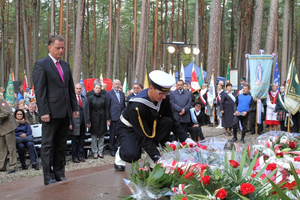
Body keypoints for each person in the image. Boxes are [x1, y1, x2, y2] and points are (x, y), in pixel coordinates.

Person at [114, 70, 194, 171]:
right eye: (161, 93)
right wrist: (157, 158)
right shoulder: (137, 106)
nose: (164, 97)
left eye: (166, 93)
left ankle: (152, 155)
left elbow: (172, 121)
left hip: (148, 125)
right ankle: (122, 151)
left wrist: (186, 139)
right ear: (151, 88)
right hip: (128, 127)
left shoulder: (163, 99)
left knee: (167, 122)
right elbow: (143, 136)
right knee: (133, 155)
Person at [32, 35, 79, 185]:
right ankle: (48, 176)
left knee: (61, 144)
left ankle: (59, 172)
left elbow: (70, 88)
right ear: (49, 47)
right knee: (48, 145)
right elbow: (40, 90)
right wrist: (44, 111)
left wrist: (74, 107)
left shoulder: (65, 65)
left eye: (63, 48)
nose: (61, 50)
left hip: (65, 112)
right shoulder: (41, 65)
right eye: (58, 48)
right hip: (50, 113)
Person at [69, 83, 91, 163]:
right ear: (74, 89)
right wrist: (70, 123)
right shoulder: (71, 99)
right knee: (74, 141)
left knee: (81, 141)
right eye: (77, 88)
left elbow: (87, 111)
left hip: (83, 122)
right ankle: (74, 156)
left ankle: (80, 155)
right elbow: (69, 112)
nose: (78, 90)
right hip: (74, 123)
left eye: (80, 88)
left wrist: (88, 122)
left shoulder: (84, 98)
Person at [88, 82, 108, 159]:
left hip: (102, 118)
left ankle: (100, 151)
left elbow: (106, 109)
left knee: (102, 136)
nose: (98, 90)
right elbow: (88, 110)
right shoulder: (90, 97)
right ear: (94, 89)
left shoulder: (103, 97)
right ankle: (95, 152)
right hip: (94, 118)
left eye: (99, 88)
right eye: (96, 88)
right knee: (94, 136)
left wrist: (107, 119)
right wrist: (89, 121)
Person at [106, 79, 125, 157]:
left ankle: (118, 148)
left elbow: (123, 106)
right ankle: (112, 149)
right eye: (116, 84)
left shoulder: (122, 94)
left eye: (118, 84)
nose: (117, 85)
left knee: (120, 134)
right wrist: (108, 119)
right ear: (113, 85)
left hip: (121, 118)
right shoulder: (109, 94)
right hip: (112, 118)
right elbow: (107, 107)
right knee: (112, 135)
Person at [0, 97, 17, 174]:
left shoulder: (1, 100)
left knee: (11, 148)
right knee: (1, 148)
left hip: (8, 127)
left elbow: (6, 112)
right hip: (1, 128)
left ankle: (13, 165)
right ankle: (2, 166)